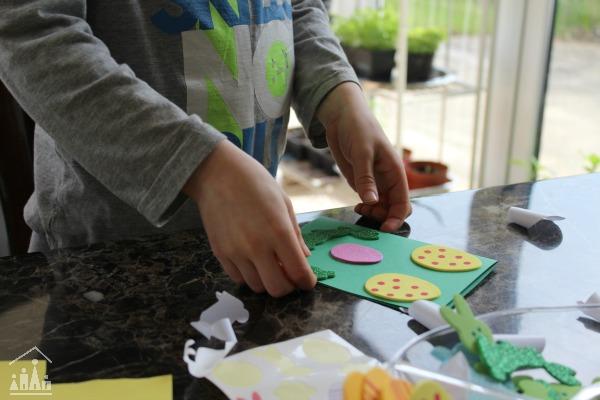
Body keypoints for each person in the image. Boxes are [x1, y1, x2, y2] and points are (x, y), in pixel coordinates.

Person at [0, 0, 411, 297]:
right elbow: (31, 32)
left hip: (254, 258)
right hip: (102, 268)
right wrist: (199, 165)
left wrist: (336, 92)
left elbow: (299, 6)